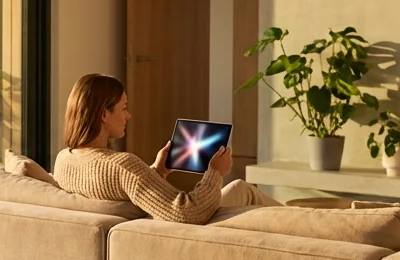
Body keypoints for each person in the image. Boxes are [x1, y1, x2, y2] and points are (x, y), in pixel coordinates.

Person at [52, 74, 278, 224]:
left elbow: (118, 191)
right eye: (124, 108)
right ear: (103, 114)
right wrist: (215, 173)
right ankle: (310, 222)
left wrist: (157, 171)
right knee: (243, 189)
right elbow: (185, 212)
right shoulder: (122, 166)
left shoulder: (64, 159)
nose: (128, 115)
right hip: (181, 229)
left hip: (148, 227)